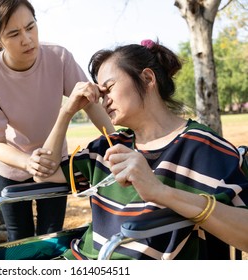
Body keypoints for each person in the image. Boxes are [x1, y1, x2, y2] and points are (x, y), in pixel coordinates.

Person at [34, 39, 248, 259]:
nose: (103, 100)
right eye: (100, 93)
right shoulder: (108, 147)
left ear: (147, 78)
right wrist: (66, 111)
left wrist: (160, 192)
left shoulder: (203, 149)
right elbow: (45, 173)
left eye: (109, 88)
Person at [0, 0, 114, 242]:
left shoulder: (59, 57)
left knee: (51, 235)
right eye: (14, 34)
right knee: (20, 238)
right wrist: (28, 162)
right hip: (12, 168)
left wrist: (117, 140)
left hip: (55, 164)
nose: (27, 39)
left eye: (31, 27)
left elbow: (91, 104)